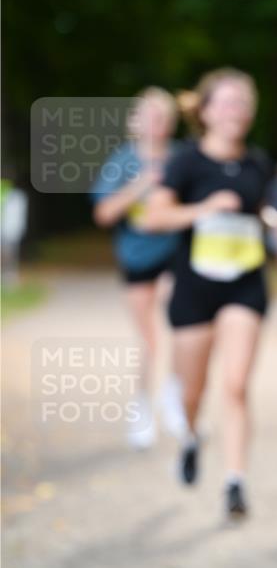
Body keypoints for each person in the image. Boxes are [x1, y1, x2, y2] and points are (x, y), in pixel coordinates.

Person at [144, 68, 273, 521]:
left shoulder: (258, 163)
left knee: (235, 384)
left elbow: (259, 212)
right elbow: (154, 218)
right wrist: (204, 208)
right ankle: (192, 434)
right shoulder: (186, 161)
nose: (236, 110)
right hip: (194, 287)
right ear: (206, 111)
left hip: (245, 282)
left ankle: (235, 482)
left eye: (243, 102)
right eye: (227, 102)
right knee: (192, 391)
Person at [91, 87, 182, 449]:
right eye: (148, 116)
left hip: (176, 252)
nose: (155, 124)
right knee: (148, 339)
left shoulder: (181, 158)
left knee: (178, 320)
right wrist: (141, 185)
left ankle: (174, 397)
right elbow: (103, 213)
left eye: (161, 117)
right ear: (135, 122)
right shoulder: (122, 161)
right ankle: (142, 406)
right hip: (137, 257)